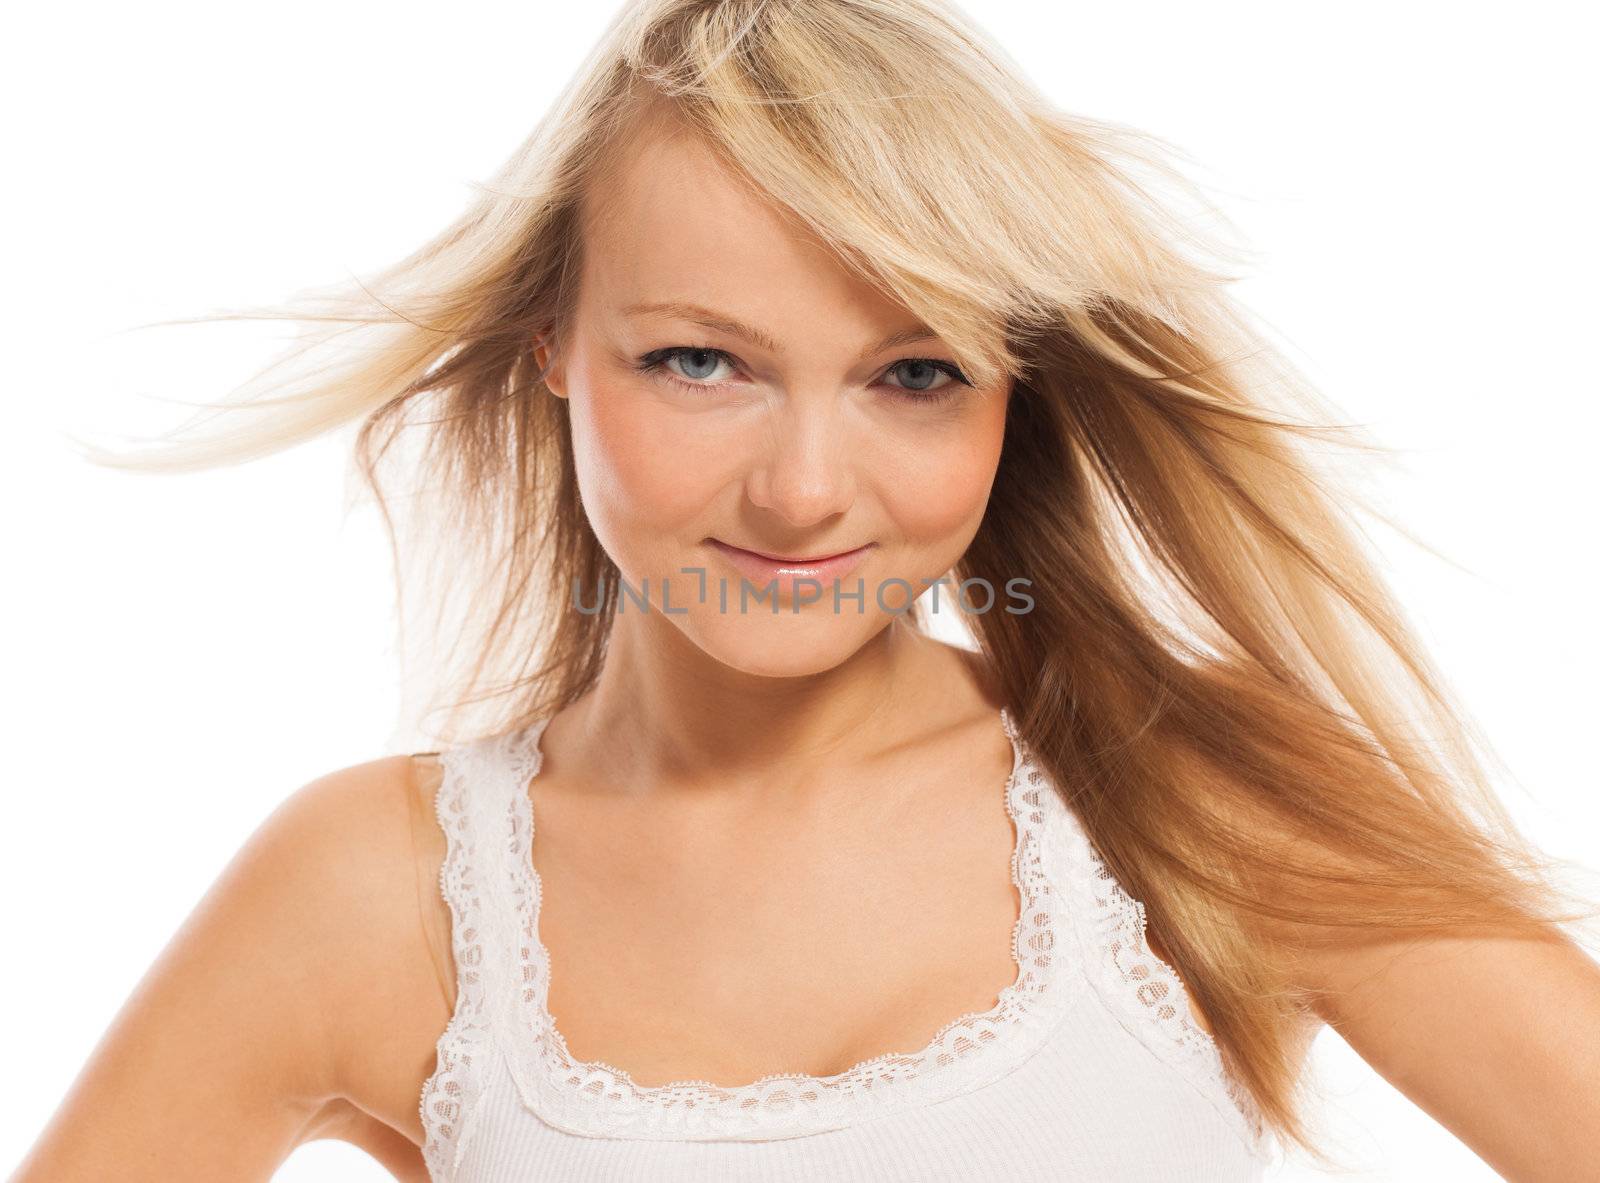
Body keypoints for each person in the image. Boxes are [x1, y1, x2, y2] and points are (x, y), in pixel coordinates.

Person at [14, 1, 1600, 1180]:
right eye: (699, 361)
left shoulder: (1189, 793)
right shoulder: (375, 890)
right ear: (553, 342)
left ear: (1009, 392)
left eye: (913, 373)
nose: (802, 492)